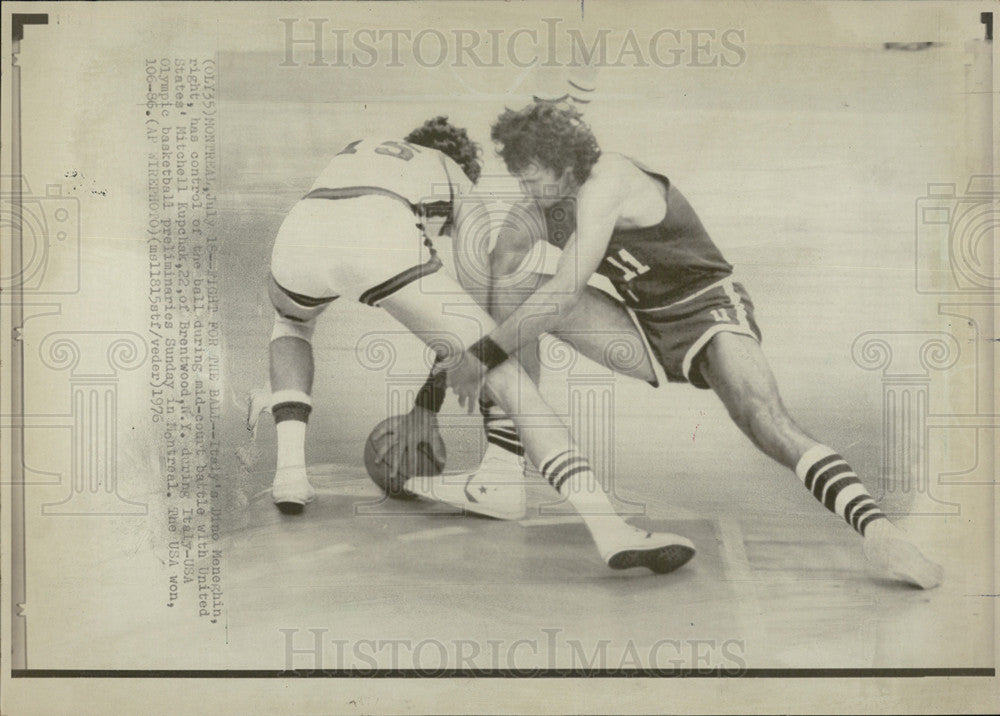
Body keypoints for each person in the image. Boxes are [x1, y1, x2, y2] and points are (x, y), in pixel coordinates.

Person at [411, 103, 942, 589]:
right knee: (513, 292)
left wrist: (482, 355)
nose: (525, 195)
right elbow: (500, 280)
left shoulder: (607, 180)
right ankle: (503, 470)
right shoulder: (540, 207)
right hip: (641, 326)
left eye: (531, 182)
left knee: (763, 420)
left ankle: (881, 535)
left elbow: (565, 290)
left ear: (560, 165)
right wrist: (457, 365)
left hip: (705, 308)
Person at [260, 116, 696, 574]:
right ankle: (609, 529)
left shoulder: (360, 146)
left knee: (289, 325)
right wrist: (434, 401)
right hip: (377, 232)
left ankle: (290, 475)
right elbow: (478, 312)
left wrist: (425, 406)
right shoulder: (454, 176)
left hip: (298, 234)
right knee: (507, 374)